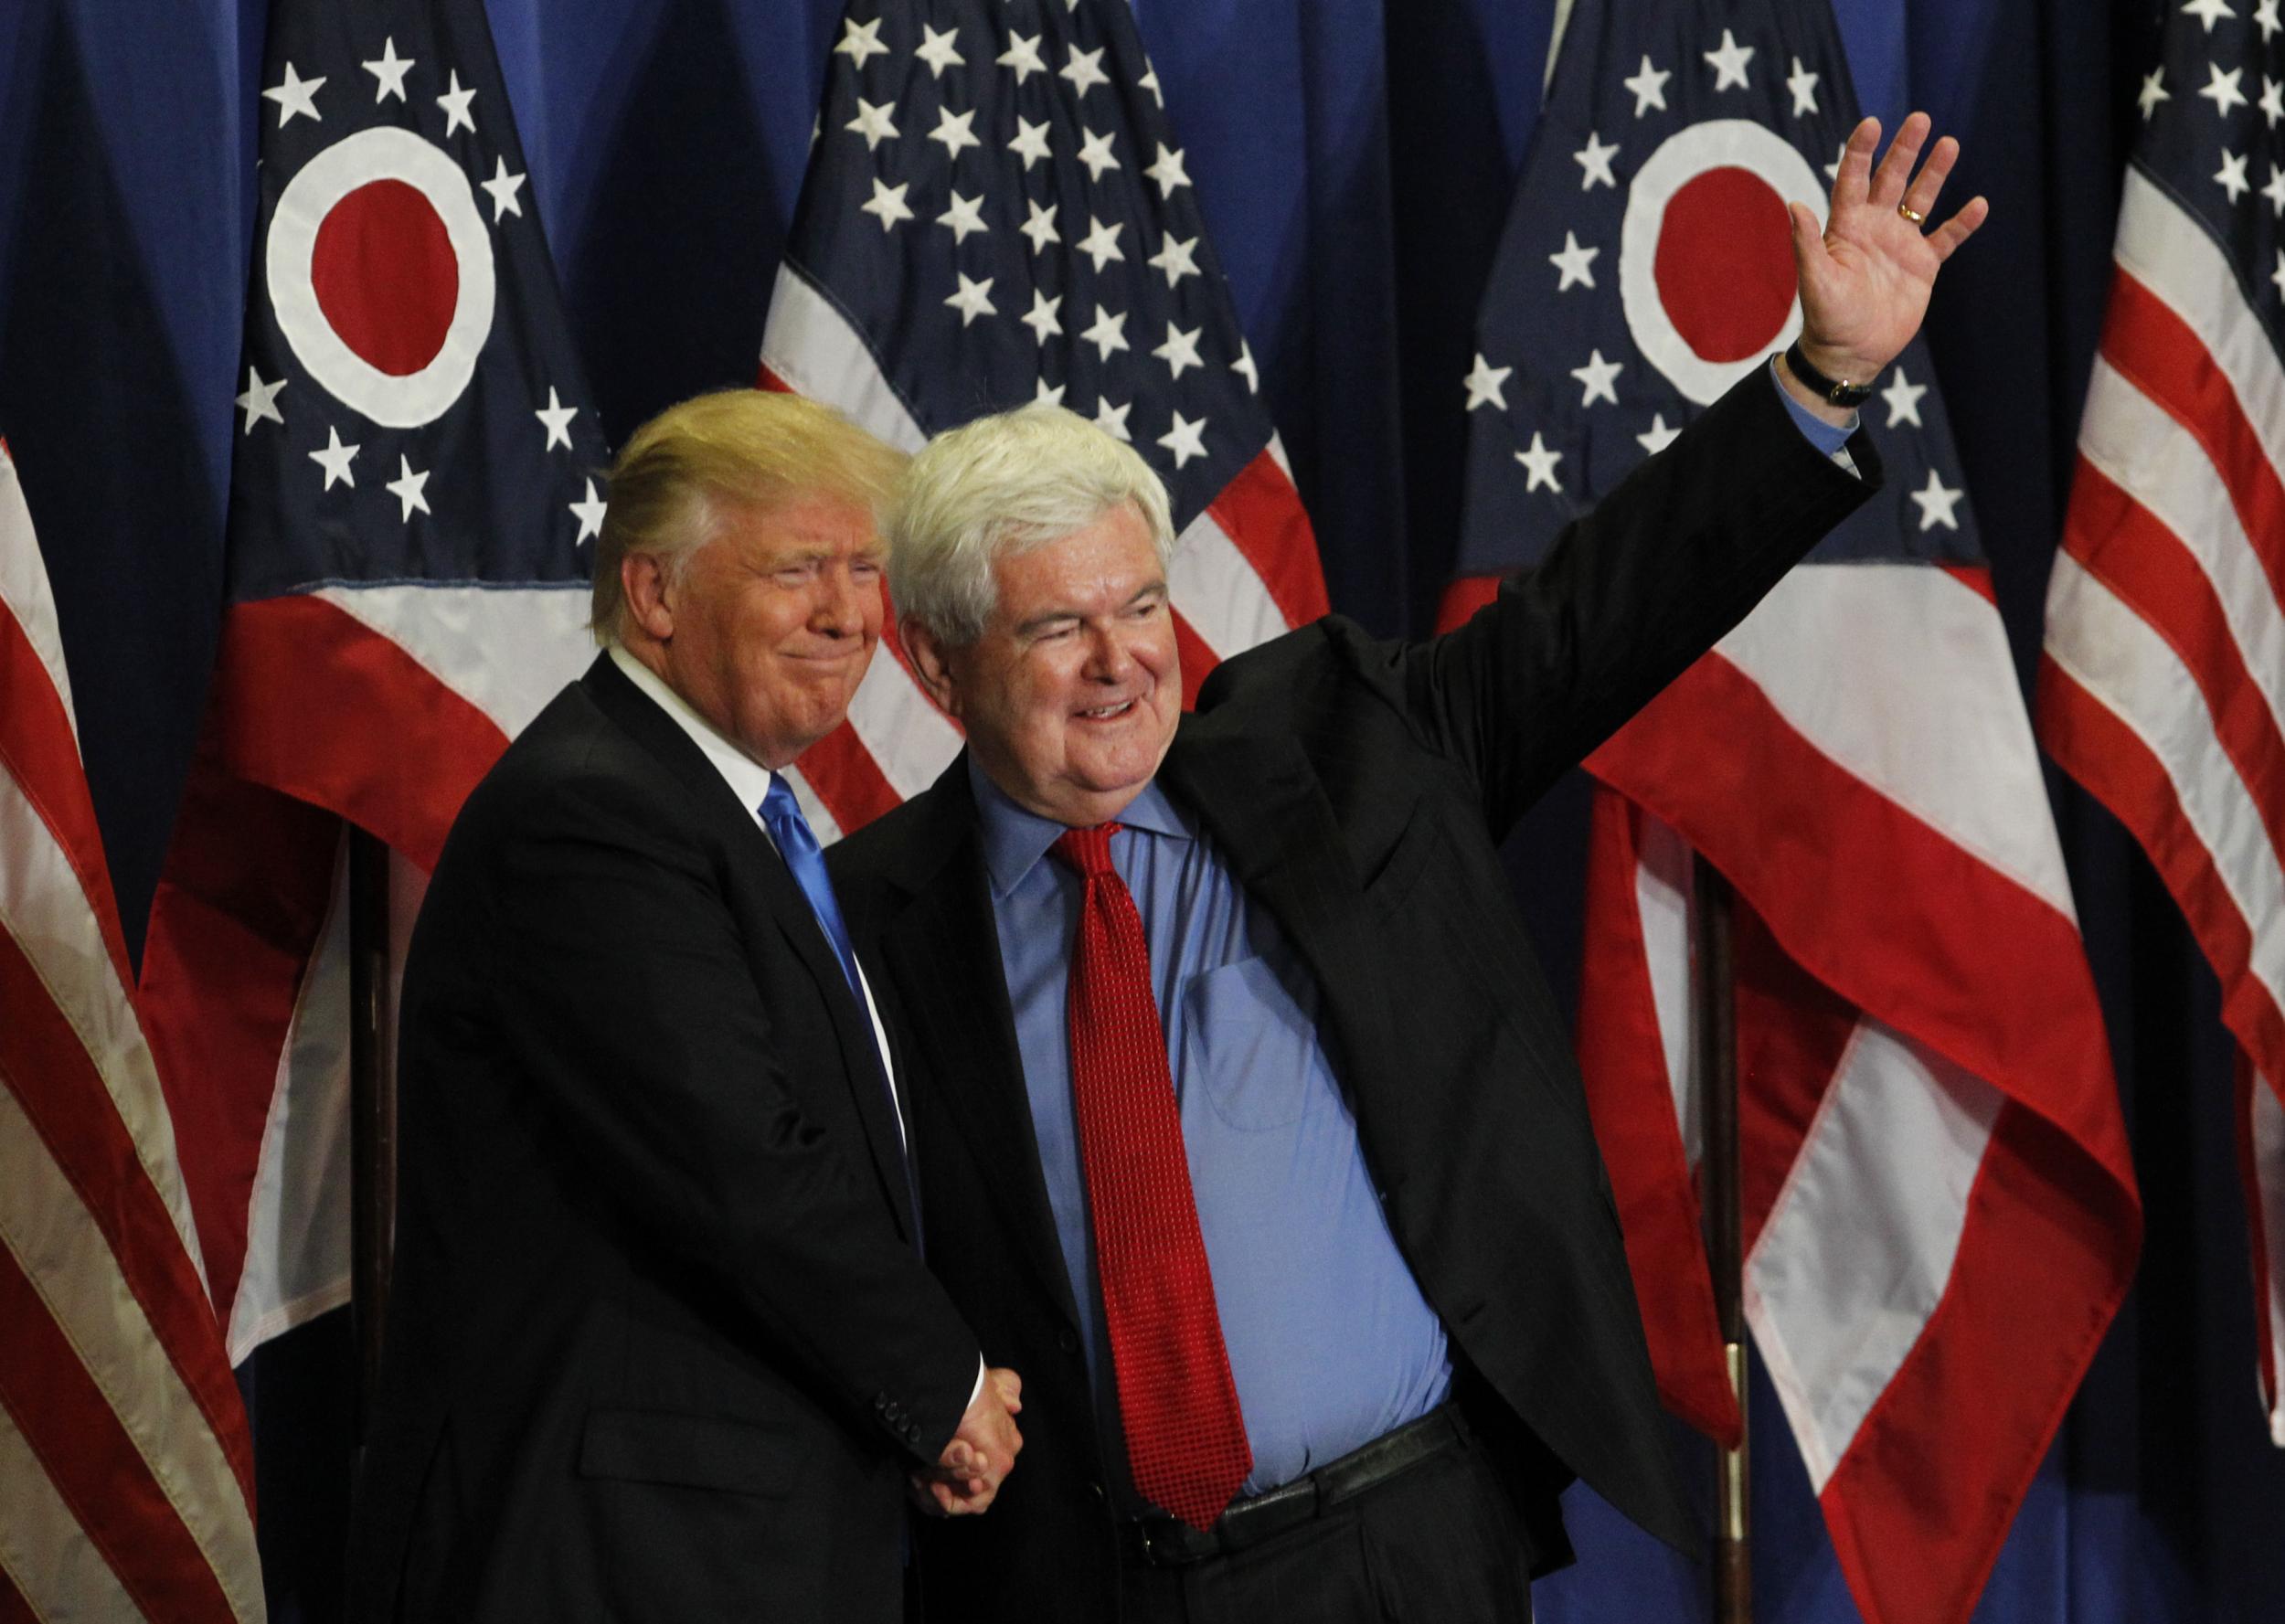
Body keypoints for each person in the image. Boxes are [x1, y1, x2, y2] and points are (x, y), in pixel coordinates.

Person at [827, 115, 1984, 1621]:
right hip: (1085, 1583)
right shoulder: (861, 920)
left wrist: (1820, 380)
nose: (1123, 661)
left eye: (1141, 604)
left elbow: (1598, 614)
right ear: (935, 659)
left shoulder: (1342, 743)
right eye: (1057, 628)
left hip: (1401, 1548)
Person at [347, 390, 1022, 1624]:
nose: (847, 612)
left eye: (865, 568)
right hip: (613, 1556)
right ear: (654, 595)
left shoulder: (729, 813)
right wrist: (944, 1388)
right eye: (799, 568)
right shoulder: (594, 816)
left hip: (727, 1541)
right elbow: (746, 1172)